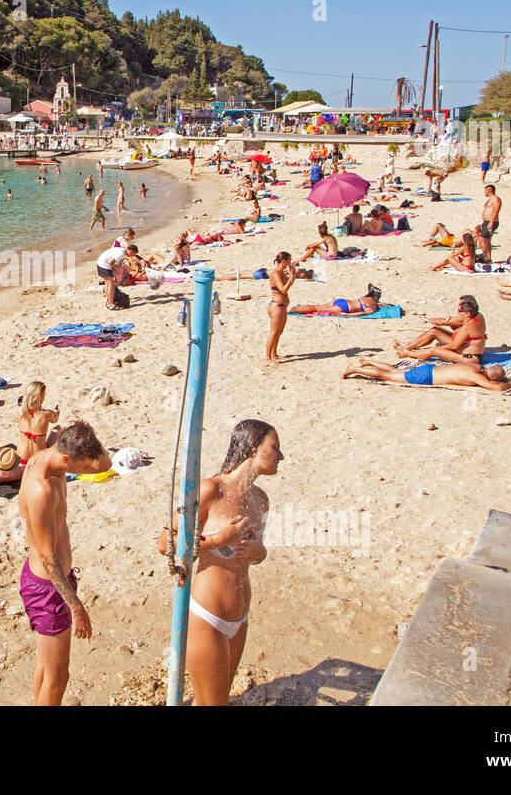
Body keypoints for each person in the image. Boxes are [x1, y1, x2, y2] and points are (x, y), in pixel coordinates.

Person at [158, 419, 278, 705]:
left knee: (217, 698)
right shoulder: (211, 490)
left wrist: (257, 552)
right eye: (275, 447)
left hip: (239, 615)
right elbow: (166, 543)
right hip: (206, 616)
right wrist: (217, 540)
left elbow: (258, 555)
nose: (280, 456)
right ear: (252, 449)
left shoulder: (260, 499)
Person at [17, 421, 109, 705]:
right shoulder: (41, 489)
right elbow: (46, 556)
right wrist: (76, 606)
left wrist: (88, 438)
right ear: (67, 459)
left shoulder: (52, 460)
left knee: (47, 666)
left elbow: (103, 465)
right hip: (47, 589)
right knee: (58, 680)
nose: (86, 472)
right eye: (80, 468)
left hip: (54, 581)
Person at [396, 295, 486, 363]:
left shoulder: (468, 326)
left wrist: (439, 348)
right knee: (434, 331)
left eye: (459, 311)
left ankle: (407, 353)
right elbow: (450, 323)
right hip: (467, 348)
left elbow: (455, 346)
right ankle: (409, 346)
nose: (457, 312)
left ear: (467, 313)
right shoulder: (477, 315)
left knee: (433, 351)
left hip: (470, 357)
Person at [343, 357, 511, 391]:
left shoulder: (475, 367)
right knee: (387, 376)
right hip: (426, 377)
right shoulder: (476, 377)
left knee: (395, 371)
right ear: (492, 377)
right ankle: (357, 369)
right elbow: (497, 389)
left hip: (429, 369)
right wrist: (510, 384)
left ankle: (367, 360)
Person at [17, 381, 61, 465]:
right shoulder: (47, 414)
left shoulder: (19, 410)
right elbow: (55, 420)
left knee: (23, 437)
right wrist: (55, 413)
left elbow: (29, 410)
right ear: (40, 396)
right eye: (43, 394)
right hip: (40, 459)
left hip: (22, 458)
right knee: (58, 428)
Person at [266, 251, 294, 364]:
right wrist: (291, 278)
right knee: (273, 332)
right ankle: (268, 357)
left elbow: (287, 284)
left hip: (282, 306)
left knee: (279, 332)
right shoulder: (275, 274)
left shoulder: (282, 273)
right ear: (283, 262)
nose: (289, 264)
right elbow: (283, 290)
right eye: (289, 262)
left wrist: (293, 276)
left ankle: (274, 354)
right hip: (276, 306)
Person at [288, 284, 382, 315]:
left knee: (318, 306)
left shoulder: (367, 298)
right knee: (316, 309)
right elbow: (360, 313)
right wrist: (347, 315)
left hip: (342, 301)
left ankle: (294, 309)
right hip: (345, 308)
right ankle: (293, 310)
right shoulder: (372, 309)